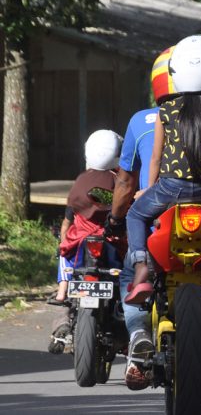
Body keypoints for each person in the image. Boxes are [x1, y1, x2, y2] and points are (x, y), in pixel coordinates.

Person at [106, 42, 201, 389]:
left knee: (136, 216)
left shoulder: (165, 113)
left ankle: (142, 266)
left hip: (169, 189)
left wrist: (150, 191)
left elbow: (155, 159)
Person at [47, 130, 124, 354]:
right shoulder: (121, 182)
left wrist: (64, 240)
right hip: (112, 242)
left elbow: (67, 221)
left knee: (64, 252)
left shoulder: (81, 181)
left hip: (80, 241)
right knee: (132, 270)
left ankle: (62, 292)